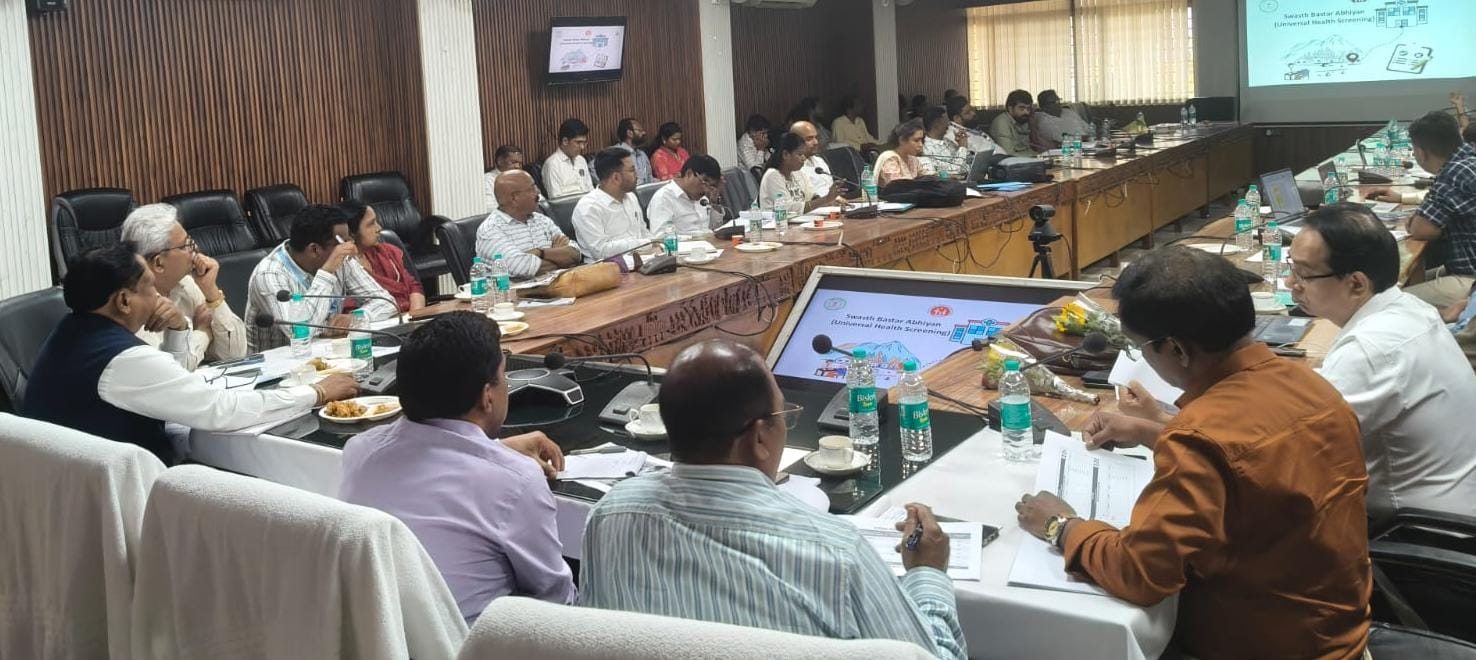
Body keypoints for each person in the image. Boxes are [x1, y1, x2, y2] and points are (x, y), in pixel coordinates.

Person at [1016, 246, 1371, 659]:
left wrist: (1061, 526)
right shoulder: (1312, 385)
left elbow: (1140, 574)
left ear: (1176, 349)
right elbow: (1253, 462)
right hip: (1337, 631)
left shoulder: (1201, 436)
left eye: (1141, 348)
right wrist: (1152, 432)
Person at [580, 340, 966, 660]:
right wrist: (927, 573)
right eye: (784, 415)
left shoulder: (611, 514)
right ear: (759, 437)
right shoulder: (835, 553)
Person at [24, 243, 356, 465]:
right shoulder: (121, 359)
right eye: (150, 288)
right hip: (124, 495)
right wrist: (316, 392)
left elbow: (170, 384)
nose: (159, 298)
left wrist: (178, 329)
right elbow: (221, 411)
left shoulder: (73, 331)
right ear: (124, 301)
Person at [340, 311, 574, 623]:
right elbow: (554, 598)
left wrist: (498, 449)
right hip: (470, 642)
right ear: (487, 396)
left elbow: (433, 463)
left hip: (376, 636)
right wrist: (502, 460)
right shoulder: (516, 481)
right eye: (504, 377)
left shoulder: (359, 450)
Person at [1283, 203, 1476, 522]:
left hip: (1417, 534)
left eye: (1303, 274)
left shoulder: (1370, 350)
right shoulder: (1411, 308)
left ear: (1356, 284)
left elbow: (1291, 449)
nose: (1291, 284)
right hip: (1456, 506)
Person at [244, 204, 398, 353]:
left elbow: (386, 302)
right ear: (314, 249)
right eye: (342, 243)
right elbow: (299, 333)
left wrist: (356, 318)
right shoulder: (269, 274)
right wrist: (326, 272)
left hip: (331, 353)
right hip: (279, 364)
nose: (350, 247)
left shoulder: (341, 258)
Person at [1367, 111, 1476, 306]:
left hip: (1470, 278)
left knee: (1383, 303)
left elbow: (1421, 230)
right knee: (1394, 285)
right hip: (1464, 268)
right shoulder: (1468, 160)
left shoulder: (1454, 173)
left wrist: (1420, 220)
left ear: (1420, 153)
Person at [120, 203, 246, 371]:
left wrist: (211, 292)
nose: (195, 250)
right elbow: (169, 373)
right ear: (159, 263)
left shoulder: (187, 283)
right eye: (186, 245)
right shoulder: (131, 306)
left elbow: (236, 355)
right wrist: (203, 333)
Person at [477, 170, 582, 279]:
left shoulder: (541, 220)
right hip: (519, 290)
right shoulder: (490, 230)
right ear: (514, 198)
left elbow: (575, 254)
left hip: (561, 283)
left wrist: (540, 253)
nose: (538, 192)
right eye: (532, 188)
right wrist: (559, 256)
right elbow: (521, 268)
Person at [341, 202, 424, 313]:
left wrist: (414, 316)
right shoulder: (343, 267)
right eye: (371, 224)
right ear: (351, 233)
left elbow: (413, 287)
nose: (379, 228)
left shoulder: (386, 252)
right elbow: (351, 309)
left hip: (408, 315)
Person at [573, 147, 651, 261]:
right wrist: (643, 244)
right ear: (616, 177)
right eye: (632, 170)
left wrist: (655, 244)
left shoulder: (631, 197)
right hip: (607, 267)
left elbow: (643, 231)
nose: (637, 174)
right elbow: (601, 251)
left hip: (643, 259)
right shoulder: (588, 207)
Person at [760, 133, 841, 217]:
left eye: (804, 155)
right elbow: (788, 209)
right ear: (785, 154)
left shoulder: (798, 173)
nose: (804, 158)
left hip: (801, 222)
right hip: (778, 224)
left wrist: (830, 201)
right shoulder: (772, 176)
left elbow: (812, 197)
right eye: (800, 154)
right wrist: (825, 199)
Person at [647, 155, 725, 237]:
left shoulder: (702, 198)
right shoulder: (663, 198)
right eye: (704, 182)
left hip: (708, 243)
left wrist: (714, 202)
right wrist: (695, 239)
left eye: (711, 186)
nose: (706, 190)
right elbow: (661, 237)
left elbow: (714, 228)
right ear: (689, 174)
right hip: (687, 245)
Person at [873, 119, 935, 187]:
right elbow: (897, 186)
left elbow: (926, 178)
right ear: (902, 140)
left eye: (922, 140)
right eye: (916, 140)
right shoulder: (890, 158)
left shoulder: (913, 160)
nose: (920, 145)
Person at [542, 118, 594, 199]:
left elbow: (590, 189)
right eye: (578, 142)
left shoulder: (581, 160)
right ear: (565, 141)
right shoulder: (552, 164)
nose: (582, 147)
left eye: (584, 143)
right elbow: (556, 199)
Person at [790, 120, 837, 199]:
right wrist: (828, 200)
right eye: (809, 139)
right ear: (795, 141)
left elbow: (830, 187)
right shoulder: (792, 166)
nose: (816, 142)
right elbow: (804, 199)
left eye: (816, 137)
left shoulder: (819, 161)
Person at [922, 107, 971, 179]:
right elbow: (955, 172)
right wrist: (962, 147)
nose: (949, 124)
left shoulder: (948, 141)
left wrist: (960, 145)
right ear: (937, 123)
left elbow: (966, 165)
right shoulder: (926, 148)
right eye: (946, 120)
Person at [483, 145, 534, 212]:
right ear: (500, 161)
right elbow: (489, 207)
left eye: (520, 163)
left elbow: (540, 200)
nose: (517, 166)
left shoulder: (523, 178)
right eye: (513, 162)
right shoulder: (488, 179)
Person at [989, 89, 1035, 157]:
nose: (1026, 112)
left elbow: (1027, 148)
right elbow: (1008, 154)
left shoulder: (1022, 120)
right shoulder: (1002, 122)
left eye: (1028, 109)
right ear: (1010, 108)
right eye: (1021, 108)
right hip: (1009, 161)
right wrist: (1036, 157)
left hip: (1025, 159)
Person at [610, 118, 654, 185]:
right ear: (629, 133)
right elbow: (595, 169)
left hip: (645, 190)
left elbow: (650, 179)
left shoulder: (642, 154)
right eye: (640, 130)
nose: (644, 133)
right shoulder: (614, 152)